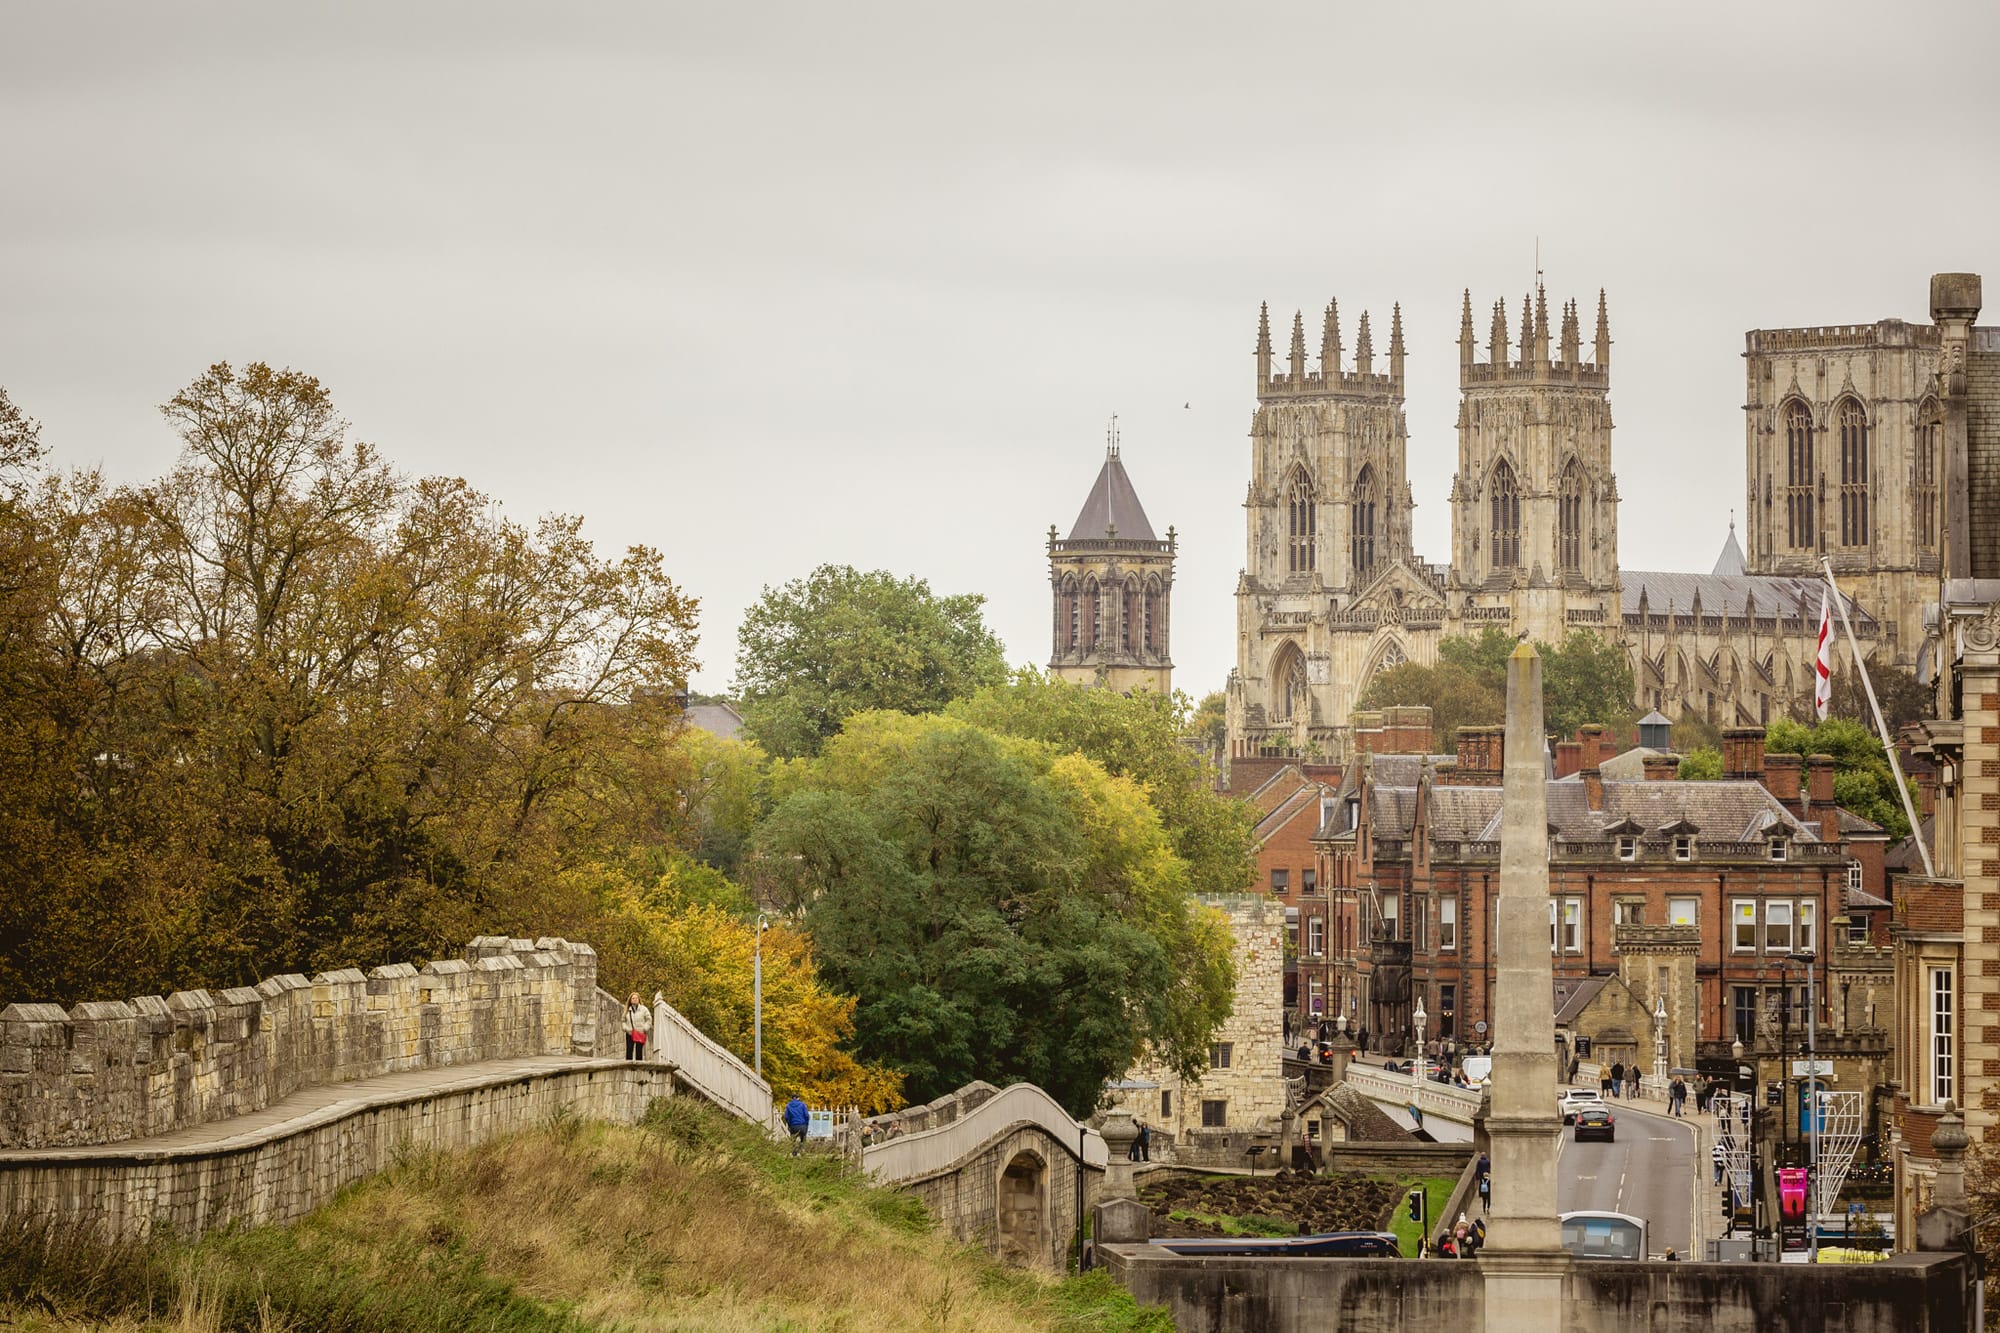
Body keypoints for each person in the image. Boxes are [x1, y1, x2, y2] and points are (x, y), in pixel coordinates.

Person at [624, 992, 651, 1061]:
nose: (635, 999)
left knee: (639, 1052)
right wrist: (625, 1028)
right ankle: (628, 1067)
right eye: (633, 998)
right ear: (630, 1000)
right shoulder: (627, 1010)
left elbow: (649, 1019)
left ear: (639, 999)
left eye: (636, 998)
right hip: (630, 1033)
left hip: (640, 1032)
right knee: (629, 1051)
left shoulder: (644, 1009)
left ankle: (639, 1068)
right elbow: (623, 1020)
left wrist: (645, 1028)